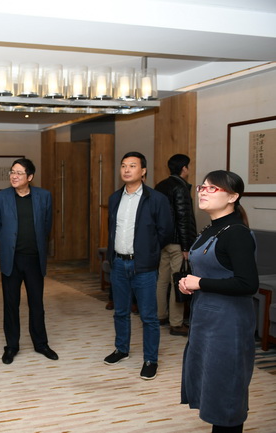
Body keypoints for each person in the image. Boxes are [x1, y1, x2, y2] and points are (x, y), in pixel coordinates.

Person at [179, 170, 259, 433]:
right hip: (206, 321)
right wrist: (188, 282)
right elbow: (210, 272)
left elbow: (247, 284)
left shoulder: (236, 233)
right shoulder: (211, 228)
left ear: (233, 197)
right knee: (211, 388)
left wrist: (200, 283)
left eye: (212, 188)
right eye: (202, 186)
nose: (203, 191)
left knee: (227, 397)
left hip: (228, 325)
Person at [103, 151, 172, 380]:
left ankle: (150, 359)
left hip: (143, 266)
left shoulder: (157, 199)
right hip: (118, 263)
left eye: (132, 166)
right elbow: (112, 229)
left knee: (149, 316)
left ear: (143, 171)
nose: (126, 169)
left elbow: (165, 231)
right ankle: (121, 349)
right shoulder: (115, 198)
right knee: (120, 312)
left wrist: (149, 252)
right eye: (123, 165)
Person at [0, 158, 58, 364]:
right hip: (11, 260)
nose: (14, 176)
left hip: (34, 259)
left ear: (30, 177)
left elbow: (47, 226)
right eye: (12, 172)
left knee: (36, 303)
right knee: (11, 304)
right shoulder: (0, 198)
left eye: (19, 173)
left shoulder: (44, 196)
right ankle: (11, 346)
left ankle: (41, 344)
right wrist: (9, 244)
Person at [154, 154, 197, 336]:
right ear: (184, 168)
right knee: (178, 281)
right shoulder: (180, 188)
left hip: (163, 240)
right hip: (177, 242)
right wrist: (186, 247)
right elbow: (183, 219)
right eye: (188, 167)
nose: (189, 170)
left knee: (162, 280)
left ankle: (160, 315)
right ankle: (176, 323)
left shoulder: (160, 186)